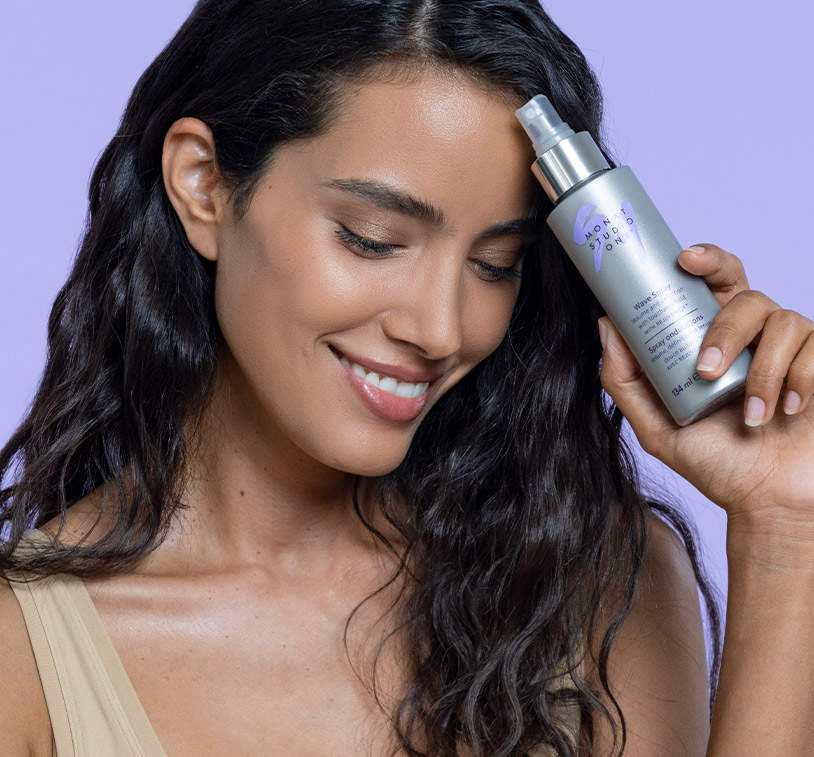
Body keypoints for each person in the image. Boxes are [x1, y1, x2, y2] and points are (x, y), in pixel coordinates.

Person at [1, 0, 812, 755]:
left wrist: (784, 526)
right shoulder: (23, 656)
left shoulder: (592, 588)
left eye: (496, 265)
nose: (440, 328)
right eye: (372, 238)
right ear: (205, 185)